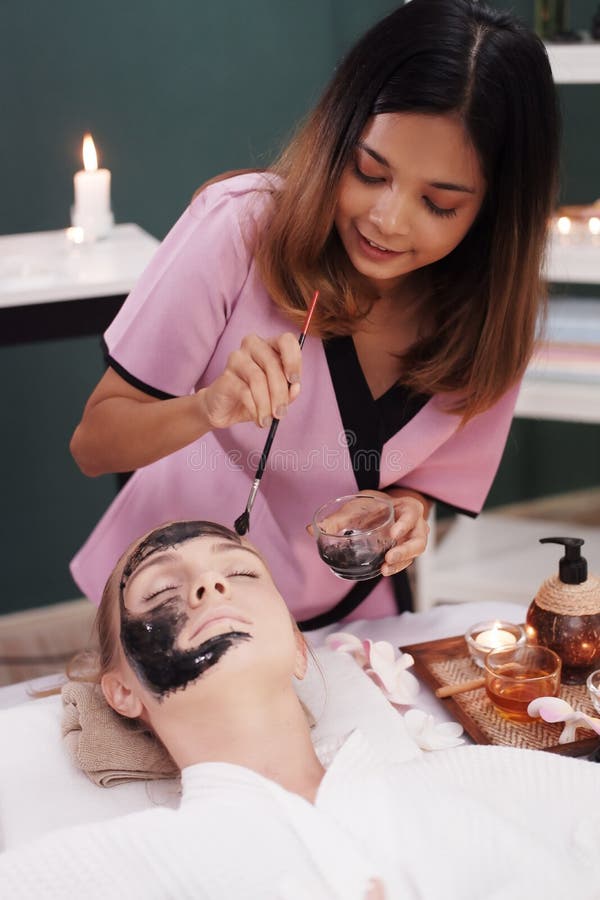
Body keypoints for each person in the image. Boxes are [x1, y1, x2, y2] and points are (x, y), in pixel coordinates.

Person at [69, 0, 560, 628]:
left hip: (350, 618)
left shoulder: (490, 318)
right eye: (368, 171)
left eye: (439, 204)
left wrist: (406, 514)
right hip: (170, 608)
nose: (387, 220)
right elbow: (94, 443)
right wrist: (208, 407)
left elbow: (418, 482)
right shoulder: (238, 227)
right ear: (339, 136)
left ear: (495, 211)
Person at [1, 519, 599, 900]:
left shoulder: (481, 780)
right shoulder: (111, 867)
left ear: (296, 646)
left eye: (238, 571)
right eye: (159, 591)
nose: (211, 587)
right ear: (122, 692)